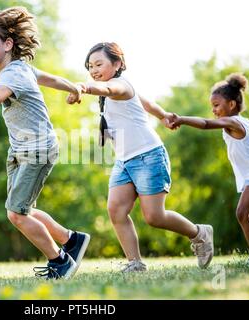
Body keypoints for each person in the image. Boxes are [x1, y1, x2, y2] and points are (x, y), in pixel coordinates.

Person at [0, 7, 90, 279]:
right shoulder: (22, 69)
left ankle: (60, 261)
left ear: (8, 44)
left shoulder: (13, 74)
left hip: (36, 149)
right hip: (21, 151)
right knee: (24, 209)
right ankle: (72, 241)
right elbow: (50, 79)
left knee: (16, 214)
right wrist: (74, 88)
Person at [67, 42, 214, 271]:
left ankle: (200, 233)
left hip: (148, 156)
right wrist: (164, 115)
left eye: (99, 64)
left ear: (117, 64)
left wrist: (82, 88)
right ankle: (135, 263)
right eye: (90, 66)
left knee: (154, 217)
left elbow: (107, 89)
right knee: (116, 210)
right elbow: (146, 103)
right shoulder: (121, 88)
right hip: (124, 161)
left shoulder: (117, 86)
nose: (93, 70)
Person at [168, 73, 249, 263]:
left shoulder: (233, 122)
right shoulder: (243, 122)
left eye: (217, 105)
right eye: (212, 106)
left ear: (232, 104)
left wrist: (182, 119)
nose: (213, 110)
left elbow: (205, 124)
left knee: (242, 214)